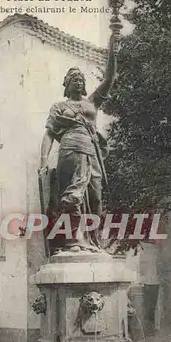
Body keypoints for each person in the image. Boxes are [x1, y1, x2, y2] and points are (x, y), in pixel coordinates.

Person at [40, 33, 119, 252]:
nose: (79, 81)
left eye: (81, 79)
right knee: (72, 197)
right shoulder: (59, 107)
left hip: (91, 152)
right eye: (74, 79)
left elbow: (109, 80)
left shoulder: (92, 103)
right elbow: (48, 134)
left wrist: (113, 47)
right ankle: (73, 241)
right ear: (66, 84)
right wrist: (43, 160)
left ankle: (93, 241)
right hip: (69, 152)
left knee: (96, 198)